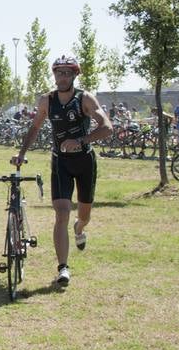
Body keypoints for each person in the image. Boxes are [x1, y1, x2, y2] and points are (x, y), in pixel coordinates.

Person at [10, 55, 111, 288]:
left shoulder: (84, 99)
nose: (62, 77)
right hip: (60, 163)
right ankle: (63, 267)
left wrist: (82, 140)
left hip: (85, 161)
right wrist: (22, 152)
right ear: (54, 75)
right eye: (58, 72)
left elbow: (107, 128)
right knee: (61, 213)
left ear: (75, 75)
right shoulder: (47, 100)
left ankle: (80, 227)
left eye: (67, 73)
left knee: (84, 215)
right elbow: (35, 127)